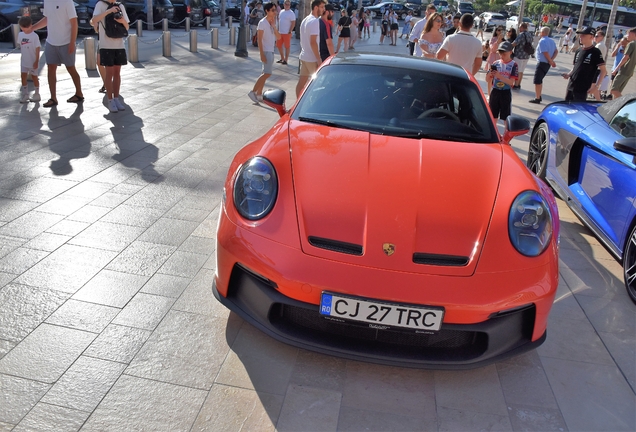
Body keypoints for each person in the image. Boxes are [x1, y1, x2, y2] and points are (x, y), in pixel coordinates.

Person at [30, 0, 84, 108]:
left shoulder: (67, 2)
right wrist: (32, 28)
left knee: (71, 68)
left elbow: (74, 22)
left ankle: (79, 94)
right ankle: (53, 98)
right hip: (51, 41)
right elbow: (47, 19)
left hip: (66, 42)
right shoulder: (47, 1)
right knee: (51, 68)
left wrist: (72, 42)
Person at [91, 0, 130, 113]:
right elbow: (94, 20)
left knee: (117, 72)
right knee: (109, 72)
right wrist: (108, 12)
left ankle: (117, 98)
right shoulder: (100, 5)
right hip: (106, 45)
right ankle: (110, 99)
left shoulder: (120, 6)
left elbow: (126, 26)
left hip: (119, 44)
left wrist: (122, 20)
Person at [562, 27, 606, 102]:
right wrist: (569, 74)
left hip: (582, 88)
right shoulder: (578, 50)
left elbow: (604, 71)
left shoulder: (595, 52)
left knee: (577, 109)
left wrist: (596, 86)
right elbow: (576, 67)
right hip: (571, 85)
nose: (581, 37)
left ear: (591, 37)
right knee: (566, 107)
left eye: (583, 35)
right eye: (580, 35)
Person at [248, 2, 279, 103]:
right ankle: (253, 91)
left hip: (271, 50)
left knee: (264, 73)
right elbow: (259, 40)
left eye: (275, 10)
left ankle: (259, 93)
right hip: (266, 50)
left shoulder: (273, 22)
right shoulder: (262, 23)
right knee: (267, 73)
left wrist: (274, 26)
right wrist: (261, 54)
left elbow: (279, 37)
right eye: (273, 10)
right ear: (267, 11)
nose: (275, 12)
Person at [296, 0, 324, 98]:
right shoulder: (315, 21)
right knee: (316, 84)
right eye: (322, 7)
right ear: (316, 7)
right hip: (311, 58)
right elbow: (313, 42)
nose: (323, 9)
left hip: (304, 56)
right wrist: (319, 59)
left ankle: (297, 103)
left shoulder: (305, 19)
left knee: (301, 82)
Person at [487, 41, 518, 122]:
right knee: (493, 116)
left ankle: (506, 134)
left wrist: (499, 76)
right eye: (500, 54)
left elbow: (512, 82)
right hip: (495, 91)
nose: (502, 56)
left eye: (504, 54)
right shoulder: (496, 63)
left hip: (505, 92)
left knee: (506, 117)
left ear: (510, 52)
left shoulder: (513, 65)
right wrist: (489, 74)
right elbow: (487, 80)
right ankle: (494, 133)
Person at [529, 26, 558, 104]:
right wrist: (551, 60)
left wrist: (550, 60)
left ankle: (537, 97)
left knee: (537, 81)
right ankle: (539, 95)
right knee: (539, 80)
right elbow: (556, 51)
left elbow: (545, 52)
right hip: (547, 63)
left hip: (542, 63)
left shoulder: (542, 41)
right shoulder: (552, 41)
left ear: (543, 33)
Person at [17, 16, 41, 104]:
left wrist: (36, 61)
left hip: (33, 60)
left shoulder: (34, 36)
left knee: (34, 77)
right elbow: (20, 46)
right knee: (23, 76)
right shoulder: (20, 35)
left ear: (30, 25)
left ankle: (37, 94)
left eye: (25, 28)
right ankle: (25, 94)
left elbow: (37, 48)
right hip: (24, 61)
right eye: (22, 28)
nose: (24, 30)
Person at [611, 27, 636, 99]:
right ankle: (616, 108)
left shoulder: (631, 44)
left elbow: (625, 58)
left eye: (628, 34)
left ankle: (625, 103)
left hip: (624, 70)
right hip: (630, 71)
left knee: (614, 89)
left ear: (633, 34)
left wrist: (616, 69)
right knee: (618, 91)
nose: (627, 36)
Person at [511, 22, 533, 89]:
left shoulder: (521, 35)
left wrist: (509, 46)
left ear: (522, 27)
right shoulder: (530, 34)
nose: (519, 28)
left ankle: (516, 84)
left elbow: (515, 43)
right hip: (526, 55)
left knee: (518, 70)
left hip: (519, 55)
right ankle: (519, 84)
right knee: (522, 71)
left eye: (520, 27)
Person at [485, 26, 504, 94]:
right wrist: (497, 42)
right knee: (490, 77)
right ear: (496, 31)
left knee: (499, 77)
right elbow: (492, 49)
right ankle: (489, 94)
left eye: (501, 30)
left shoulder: (504, 41)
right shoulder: (493, 39)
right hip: (492, 60)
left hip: (501, 61)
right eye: (499, 30)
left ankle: (497, 92)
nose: (500, 32)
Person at [276, 0, 295, 64]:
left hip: (287, 33)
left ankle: (286, 60)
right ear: (284, 4)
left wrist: (290, 31)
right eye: (286, 4)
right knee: (278, 45)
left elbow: (293, 23)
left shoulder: (291, 13)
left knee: (287, 46)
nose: (287, 5)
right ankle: (282, 58)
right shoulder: (281, 11)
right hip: (280, 32)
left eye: (288, 4)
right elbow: (279, 21)